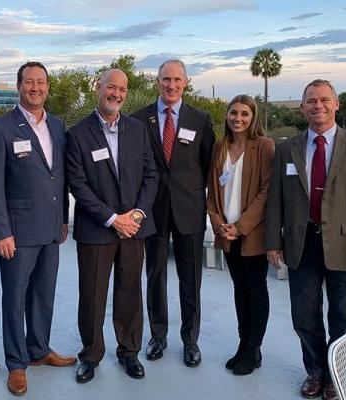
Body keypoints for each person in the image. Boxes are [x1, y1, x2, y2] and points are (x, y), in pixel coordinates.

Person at [0, 61, 76, 396]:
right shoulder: (1, 128)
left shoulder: (58, 125)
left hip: (50, 229)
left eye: (41, 82)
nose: (36, 88)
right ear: (19, 85)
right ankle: (17, 364)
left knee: (44, 296)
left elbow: (60, 178)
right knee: (15, 299)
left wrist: (63, 217)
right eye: (29, 82)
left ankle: (39, 350)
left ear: (48, 86)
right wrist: (1, 232)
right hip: (17, 233)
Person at [266, 79, 346, 400]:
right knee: (304, 315)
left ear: (336, 104)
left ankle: (338, 375)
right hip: (301, 243)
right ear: (303, 107)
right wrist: (272, 241)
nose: (317, 106)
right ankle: (316, 371)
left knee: (343, 315)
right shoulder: (286, 149)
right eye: (310, 101)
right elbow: (275, 199)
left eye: (323, 100)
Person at [66, 69, 158, 384]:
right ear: (98, 88)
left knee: (130, 291)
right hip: (96, 229)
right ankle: (90, 355)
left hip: (134, 228)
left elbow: (151, 175)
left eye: (122, 89)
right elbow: (77, 184)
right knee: (92, 294)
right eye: (111, 87)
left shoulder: (137, 130)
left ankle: (128, 352)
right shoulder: (78, 134)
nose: (116, 94)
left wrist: (136, 216)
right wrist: (111, 218)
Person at [132, 59, 215, 366]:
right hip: (151, 211)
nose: (171, 85)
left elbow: (207, 166)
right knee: (155, 274)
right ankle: (157, 336)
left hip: (189, 210)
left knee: (190, 279)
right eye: (166, 79)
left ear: (186, 82)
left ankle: (190, 340)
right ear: (158, 81)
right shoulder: (139, 120)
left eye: (177, 80)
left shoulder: (200, 118)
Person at [207, 95, 274, 375]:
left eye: (245, 113)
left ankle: (253, 348)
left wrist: (241, 226)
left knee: (255, 290)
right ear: (227, 116)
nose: (238, 118)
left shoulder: (265, 147)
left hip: (253, 233)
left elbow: (265, 193)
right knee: (239, 289)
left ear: (253, 117)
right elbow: (212, 191)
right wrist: (219, 223)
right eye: (233, 112)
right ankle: (243, 343)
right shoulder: (220, 146)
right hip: (227, 233)